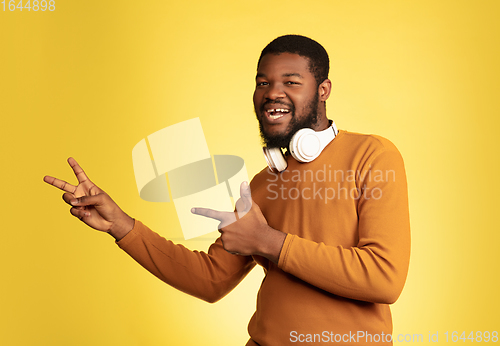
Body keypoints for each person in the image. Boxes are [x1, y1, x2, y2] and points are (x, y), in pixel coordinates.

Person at [44, 35, 410, 345]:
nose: (272, 93)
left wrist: (267, 241)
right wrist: (121, 225)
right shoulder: (264, 183)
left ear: (323, 90)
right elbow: (210, 280)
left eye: (291, 82)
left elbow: (384, 278)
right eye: (263, 82)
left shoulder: (372, 155)